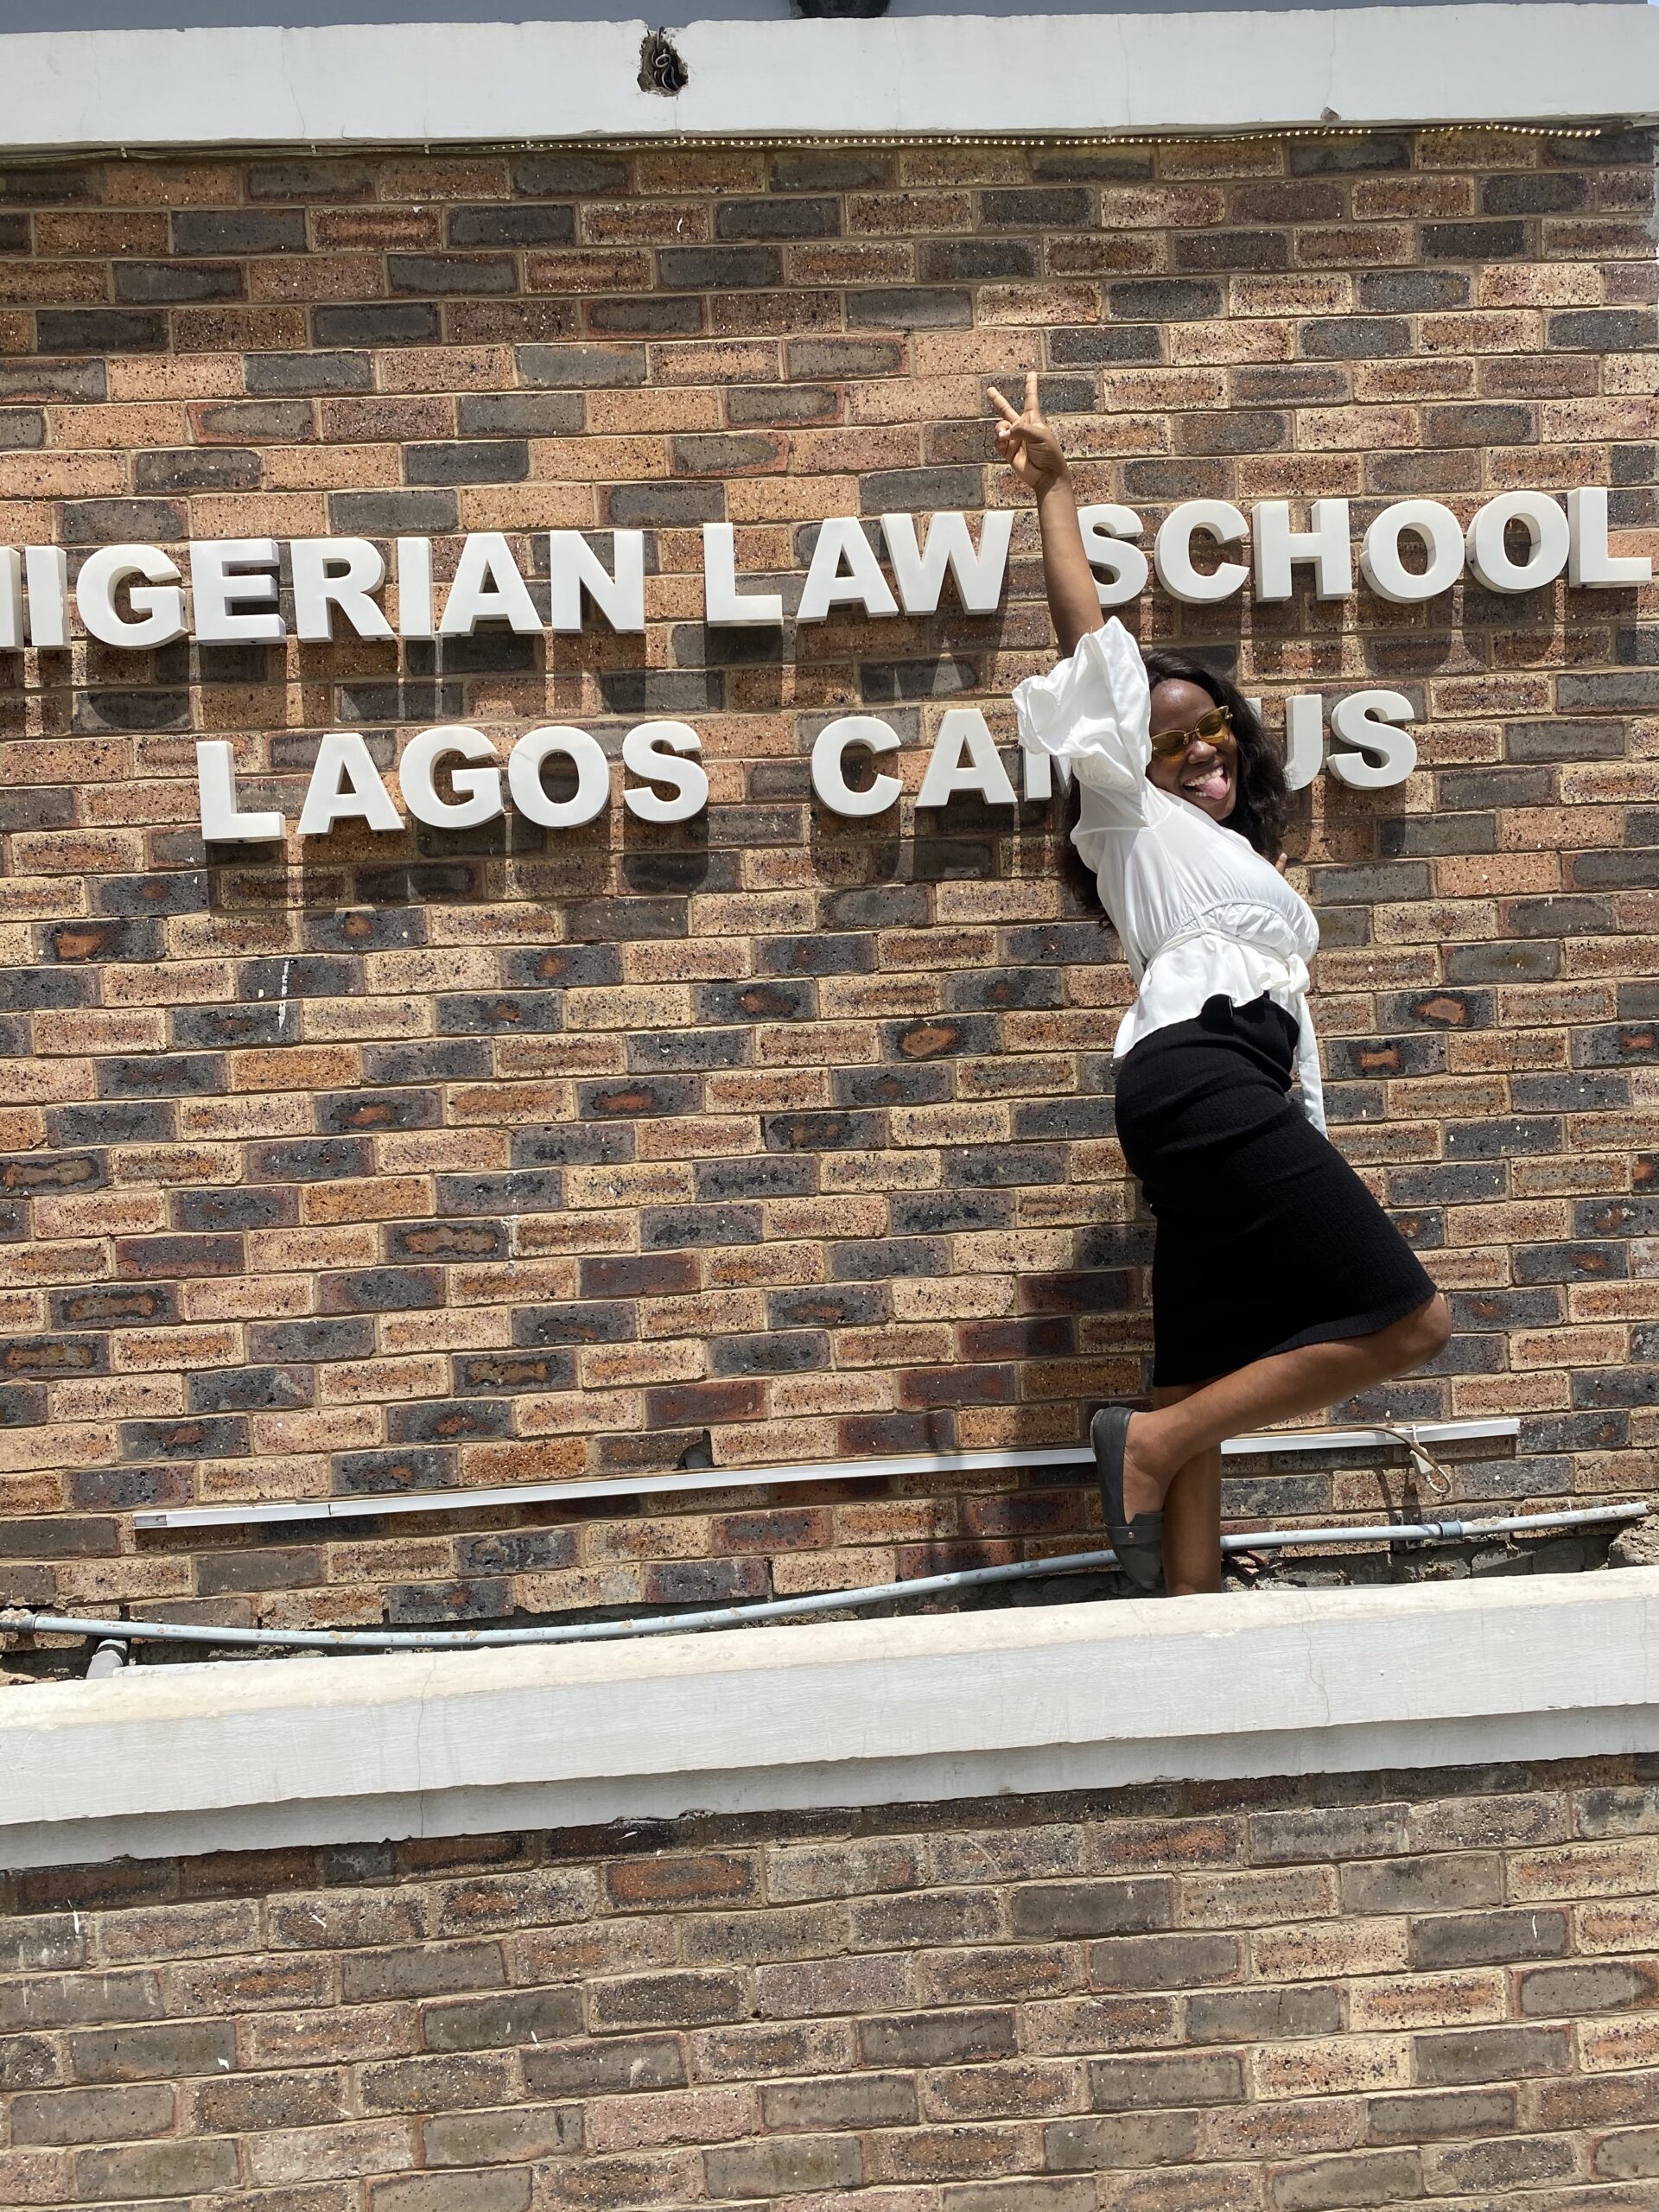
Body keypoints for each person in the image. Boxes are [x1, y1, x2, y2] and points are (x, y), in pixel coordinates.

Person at [989, 375, 1451, 1597]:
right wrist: (1056, 491)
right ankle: (1148, 1450)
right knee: (1409, 1320)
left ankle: (1187, 1608)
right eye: (1168, 737)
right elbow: (1089, 647)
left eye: (1213, 731)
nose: (1197, 749)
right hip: (1199, 1074)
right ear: (1128, 758)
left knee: (1194, 1370)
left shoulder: (1229, 856)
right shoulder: (1124, 816)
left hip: (1215, 1085)